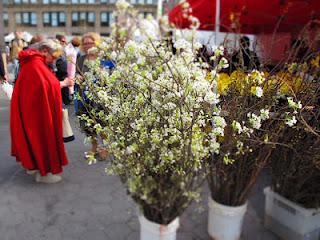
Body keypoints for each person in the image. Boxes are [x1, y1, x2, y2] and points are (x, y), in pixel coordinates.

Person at [10, 40, 73, 183]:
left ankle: (33, 166)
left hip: (30, 110)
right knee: (43, 138)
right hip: (37, 112)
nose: (54, 60)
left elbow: (40, 86)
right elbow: (46, 86)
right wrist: (63, 83)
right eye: (54, 56)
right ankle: (44, 173)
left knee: (33, 138)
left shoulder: (31, 62)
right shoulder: (36, 64)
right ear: (45, 51)